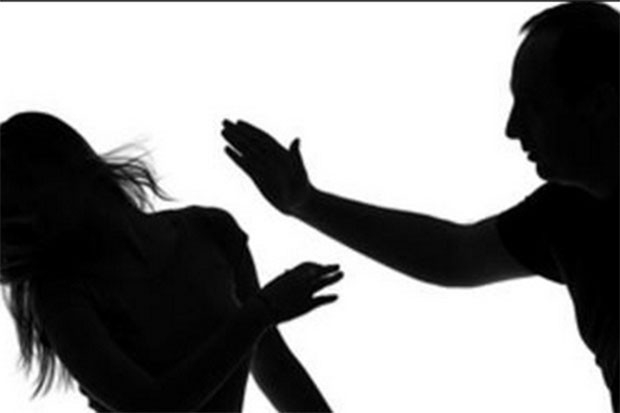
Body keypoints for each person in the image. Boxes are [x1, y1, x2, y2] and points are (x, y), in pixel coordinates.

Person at [221, 2, 618, 411]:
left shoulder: (566, 214)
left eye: (533, 105)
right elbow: (454, 254)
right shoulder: (566, 215)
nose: (512, 128)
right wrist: (306, 202)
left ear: (600, 103)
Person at [0, 112, 343, 412]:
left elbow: (274, 365)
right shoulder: (61, 296)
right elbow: (154, 408)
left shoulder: (211, 231)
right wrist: (261, 312)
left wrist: (262, 314)